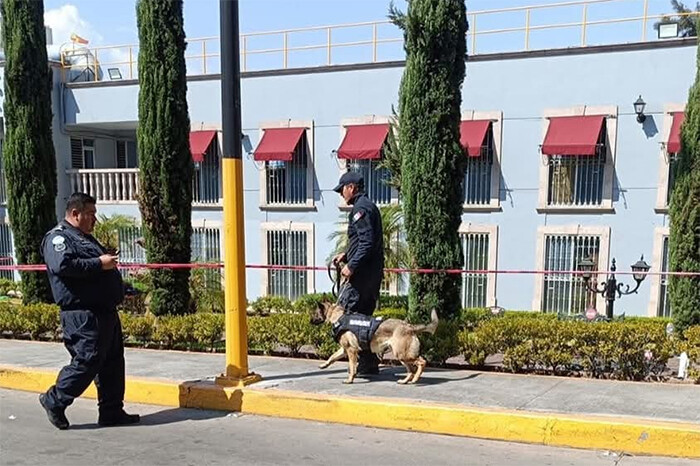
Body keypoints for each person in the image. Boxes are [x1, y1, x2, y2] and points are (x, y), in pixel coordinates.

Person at [38, 192, 139, 429]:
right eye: (90, 214)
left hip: (104, 312)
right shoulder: (58, 239)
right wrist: (99, 263)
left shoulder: (86, 238)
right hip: (82, 315)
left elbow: (98, 275)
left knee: (113, 363)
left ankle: (112, 411)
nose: (95, 219)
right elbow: (63, 266)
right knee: (87, 361)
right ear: (75, 213)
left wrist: (122, 288)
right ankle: (54, 399)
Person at [332, 171, 384, 374]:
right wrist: (346, 255)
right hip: (371, 275)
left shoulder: (360, 209)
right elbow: (363, 241)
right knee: (363, 319)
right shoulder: (368, 206)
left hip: (362, 277)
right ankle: (369, 363)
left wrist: (351, 266)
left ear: (351, 187)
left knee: (350, 318)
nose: (341, 194)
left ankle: (362, 362)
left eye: (342, 189)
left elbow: (367, 243)